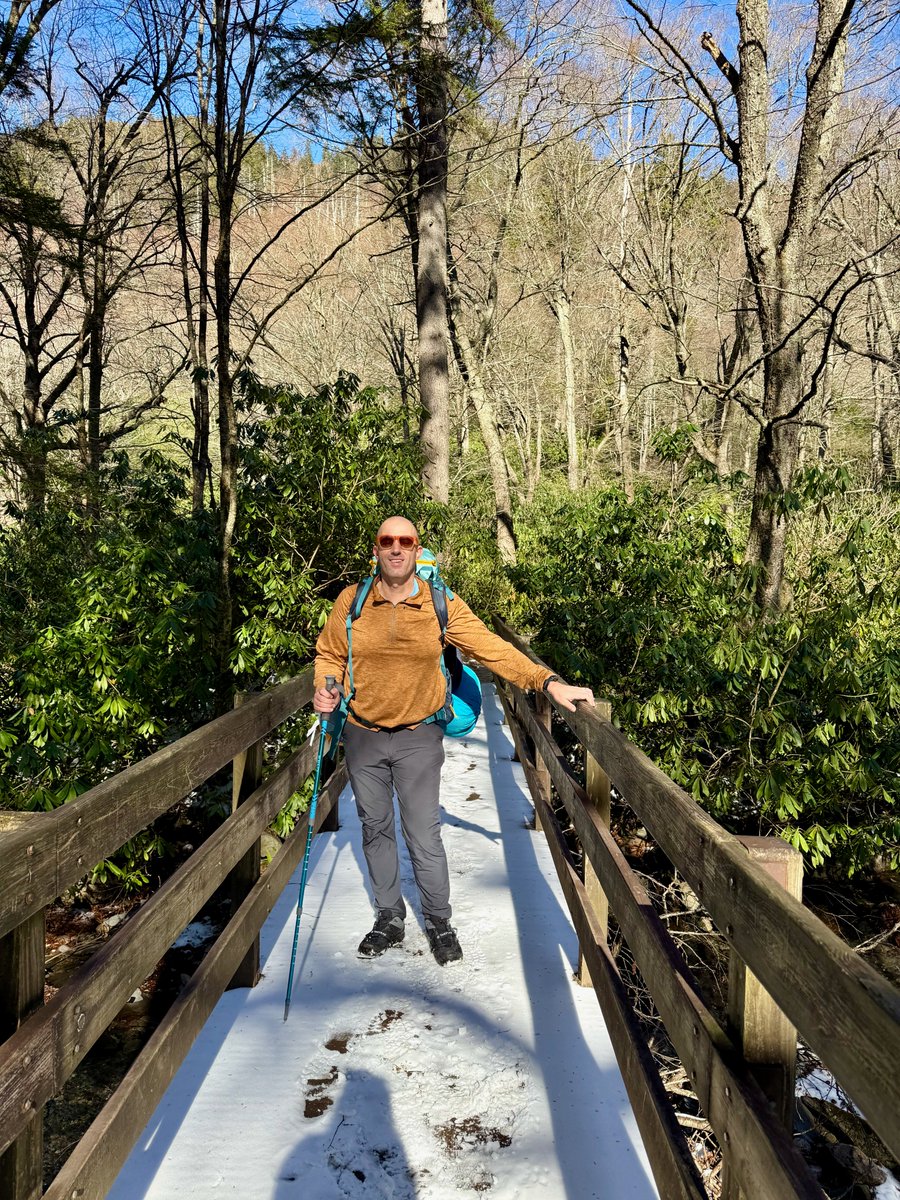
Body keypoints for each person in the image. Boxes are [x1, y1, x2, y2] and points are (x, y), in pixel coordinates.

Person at [313, 515, 594, 966]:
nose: (397, 548)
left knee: (423, 833)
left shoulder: (440, 603)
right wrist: (325, 684)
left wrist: (547, 681)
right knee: (375, 830)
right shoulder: (353, 600)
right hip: (362, 734)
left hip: (418, 736)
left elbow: (489, 647)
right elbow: (330, 653)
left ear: (416, 548)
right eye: (388, 541)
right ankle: (388, 917)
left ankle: (439, 922)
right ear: (377, 550)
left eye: (405, 541)